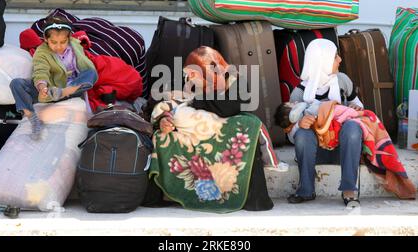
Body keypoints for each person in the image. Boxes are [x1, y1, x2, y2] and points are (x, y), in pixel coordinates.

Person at [154, 46, 274, 211]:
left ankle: (247, 197)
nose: (189, 77)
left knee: (249, 126)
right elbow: (169, 101)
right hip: (198, 133)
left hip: (227, 132)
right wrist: (164, 119)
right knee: (162, 135)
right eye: (188, 73)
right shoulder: (191, 83)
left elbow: (227, 108)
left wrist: (194, 100)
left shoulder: (236, 80)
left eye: (193, 73)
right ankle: (166, 193)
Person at [285, 39, 364, 207]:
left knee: (353, 127)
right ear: (323, 61)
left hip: (343, 151)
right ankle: (306, 190)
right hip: (314, 153)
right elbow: (289, 132)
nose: (340, 59)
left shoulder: (342, 81)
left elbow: (360, 107)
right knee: (303, 134)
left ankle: (349, 190)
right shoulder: (299, 93)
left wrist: (356, 108)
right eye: (335, 56)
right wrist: (300, 124)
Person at [10, 16, 97, 140]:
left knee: (91, 73)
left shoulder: (75, 46)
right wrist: (42, 87)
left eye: (63, 42)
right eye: (54, 42)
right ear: (46, 39)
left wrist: (65, 91)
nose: (59, 46)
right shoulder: (42, 52)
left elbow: (85, 67)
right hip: (49, 90)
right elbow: (40, 71)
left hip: (70, 90)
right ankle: (33, 119)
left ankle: (62, 93)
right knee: (16, 84)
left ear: (69, 38)